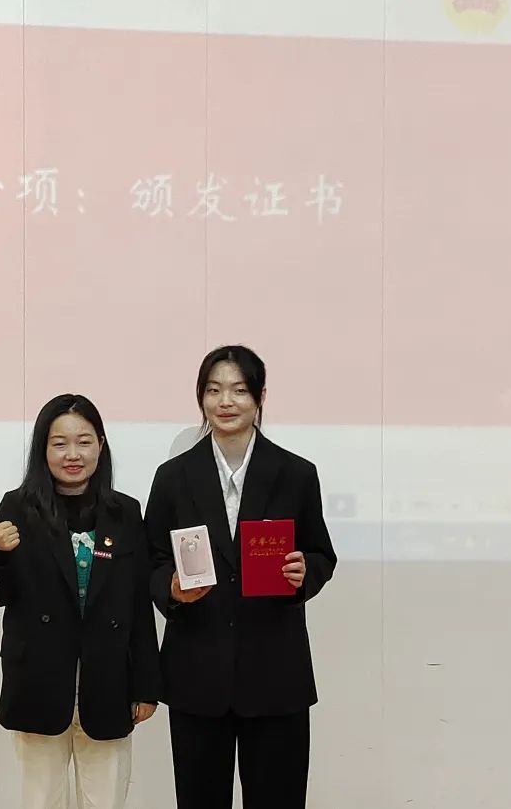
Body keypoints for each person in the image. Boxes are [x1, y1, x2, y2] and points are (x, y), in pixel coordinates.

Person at [145, 345, 337, 809]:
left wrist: (304, 572)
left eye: (238, 390)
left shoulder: (295, 474)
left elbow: (321, 554)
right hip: (197, 675)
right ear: (201, 397)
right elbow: (151, 560)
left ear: (260, 396)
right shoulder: (173, 477)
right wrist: (170, 588)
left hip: (276, 674)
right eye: (213, 391)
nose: (225, 402)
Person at [0, 393, 160, 809]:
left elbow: (138, 604)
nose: (72, 454)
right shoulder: (18, 507)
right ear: (43, 449)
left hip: (109, 685)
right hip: (38, 681)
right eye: (59, 443)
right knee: (41, 800)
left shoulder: (126, 513)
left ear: (101, 446)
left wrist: (147, 685)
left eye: (84, 441)